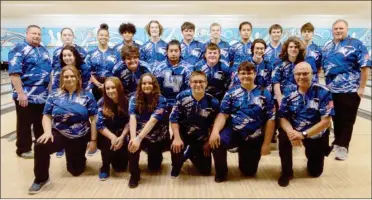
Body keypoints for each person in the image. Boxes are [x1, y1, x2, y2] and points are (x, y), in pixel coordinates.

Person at [28, 66, 97, 194]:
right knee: (40, 145)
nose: (69, 79)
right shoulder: (54, 95)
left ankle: (79, 157)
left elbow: (94, 119)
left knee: (76, 171)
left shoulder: (87, 95)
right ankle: (41, 179)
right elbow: (47, 115)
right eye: (66, 76)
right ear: (62, 79)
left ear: (77, 78)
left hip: (81, 135)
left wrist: (93, 140)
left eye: (72, 76)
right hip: (60, 133)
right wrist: (47, 132)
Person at [209, 61, 275, 182]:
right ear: (238, 75)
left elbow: (271, 120)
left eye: (249, 73)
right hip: (234, 131)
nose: (246, 76)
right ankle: (221, 172)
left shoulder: (265, 93)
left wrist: (266, 144)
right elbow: (223, 114)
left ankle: (244, 153)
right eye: (243, 73)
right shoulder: (231, 93)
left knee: (249, 172)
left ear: (255, 74)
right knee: (217, 141)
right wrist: (215, 131)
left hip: (254, 135)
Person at [277, 62, 334, 187]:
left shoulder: (323, 92)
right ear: (294, 75)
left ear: (312, 74)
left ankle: (315, 154)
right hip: (295, 130)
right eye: (298, 74)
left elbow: (325, 122)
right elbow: (282, 117)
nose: (301, 77)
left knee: (315, 172)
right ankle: (286, 172)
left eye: (305, 73)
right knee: (283, 136)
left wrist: (303, 135)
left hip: (316, 133)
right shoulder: (288, 92)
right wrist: (291, 133)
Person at [322, 19, 371, 160]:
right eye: (336, 28)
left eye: (341, 28)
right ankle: (338, 142)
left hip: (349, 89)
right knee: (336, 119)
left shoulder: (356, 44)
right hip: (331, 90)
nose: (338, 31)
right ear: (332, 30)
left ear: (347, 29)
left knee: (347, 120)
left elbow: (365, 67)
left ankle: (343, 147)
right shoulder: (327, 46)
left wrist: (361, 88)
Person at [8, 25, 52, 158]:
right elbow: (14, 73)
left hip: (42, 95)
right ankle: (23, 149)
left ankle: (40, 145)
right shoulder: (19, 48)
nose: (37, 36)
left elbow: (48, 72)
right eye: (34, 33)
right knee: (24, 123)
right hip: (26, 94)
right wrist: (21, 93)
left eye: (39, 34)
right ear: (26, 34)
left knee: (40, 123)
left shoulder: (43, 50)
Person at [169, 71, 219, 178]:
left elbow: (215, 123)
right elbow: (173, 119)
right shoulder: (182, 97)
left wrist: (208, 141)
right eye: (195, 82)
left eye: (201, 82)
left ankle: (190, 152)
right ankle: (179, 160)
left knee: (206, 171)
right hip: (183, 135)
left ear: (206, 83)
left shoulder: (213, 102)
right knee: (176, 153)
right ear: (190, 83)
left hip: (201, 137)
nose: (198, 84)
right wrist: (176, 138)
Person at [127, 73, 170, 188]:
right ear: (140, 85)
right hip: (139, 134)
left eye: (150, 83)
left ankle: (154, 154)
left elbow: (152, 121)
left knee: (154, 167)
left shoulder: (161, 100)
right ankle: (134, 175)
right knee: (131, 146)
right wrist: (133, 139)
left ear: (154, 85)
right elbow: (132, 118)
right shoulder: (133, 98)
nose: (147, 85)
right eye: (144, 83)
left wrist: (139, 138)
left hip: (156, 136)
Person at [96, 77, 129, 181]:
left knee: (120, 168)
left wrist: (122, 137)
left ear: (119, 88)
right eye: (107, 88)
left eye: (113, 87)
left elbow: (130, 122)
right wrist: (112, 137)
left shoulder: (127, 101)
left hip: (123, 134)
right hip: (107, 134)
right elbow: (99, 125)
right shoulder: (101, 103)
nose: (110, 91)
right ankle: (105, 166)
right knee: (104, 140)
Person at [153, 39, 192, 114]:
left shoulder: (188, 68)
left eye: (176, 51)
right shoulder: (159, 68)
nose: (173, 53)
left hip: (182, 102)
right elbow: (156, 89)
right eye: (171, 51)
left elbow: (189, 89)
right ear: (166, 52)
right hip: (163, 102)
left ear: (180, 52)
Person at [86, 23, 119, 101]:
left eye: (106, 35)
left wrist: (108, 84)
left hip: (112, 87)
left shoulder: (115, 53)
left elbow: (118, 71)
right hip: (95, 87)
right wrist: (97, 83)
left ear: (108, 37)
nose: (103, 37)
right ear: (97, 36)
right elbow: (87, 72)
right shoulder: (90, 54)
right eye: (101, 35)